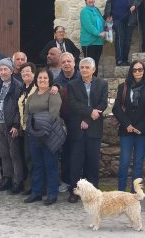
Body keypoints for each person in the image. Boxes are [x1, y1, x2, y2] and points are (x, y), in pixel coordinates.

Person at [66, 57, 109, 203]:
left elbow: (103, 104)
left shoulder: (102, 84)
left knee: (92, 162)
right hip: (77, 127)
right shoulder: (72, 85)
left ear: (93, 69)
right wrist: (89, 113)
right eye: (82, 67)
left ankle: (93, 193)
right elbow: (73, 104)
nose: (84, 70)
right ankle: (74, 192)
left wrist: (89, 119)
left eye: (87, 67)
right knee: (76, 162)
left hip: (94, 128)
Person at [113, 61, 145, 192]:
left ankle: (135, 194)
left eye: (140, 70)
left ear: (144, 71)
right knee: (124, 163)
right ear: (131, 71)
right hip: (126, 130)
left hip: (141, 131)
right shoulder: (123, 87)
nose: (137, 72)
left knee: (138, 164)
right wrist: (128, 125)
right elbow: (116, 108)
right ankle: (121, 192)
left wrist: (140, 127)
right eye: (135, 70)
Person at [23, 69, 63, 205]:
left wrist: (39, 124)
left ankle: (52, 194)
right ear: (36, 79)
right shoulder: (33, 95)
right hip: (34, 135)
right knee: (37, 165)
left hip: (48, 135)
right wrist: (30, 125)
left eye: (45, 78)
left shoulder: (53, 93)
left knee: (50, 165)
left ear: (50, 79)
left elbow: (53, 114)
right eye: (40, 78)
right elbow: (26, 112)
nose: (42, 80)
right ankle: (36, 192)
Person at [0, 58, 23, 193]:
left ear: (12, 70)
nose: (3, 72)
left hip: (10, 124)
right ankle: (7, 178)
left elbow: (18, 108)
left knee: (14, 153)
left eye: (5, 69)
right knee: (3, 153)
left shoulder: (17, 86)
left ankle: (18, 181)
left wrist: (16, 125)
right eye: (1, 70)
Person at [53, 52, 81, 193]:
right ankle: (65, 180)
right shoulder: (57, 81)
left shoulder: (82, 77)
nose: (66, 64)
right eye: (63, 62)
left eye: (69, 61)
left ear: (74, 62)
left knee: (78, 153)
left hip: (80, 122)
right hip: (63, 122)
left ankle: (79, 183)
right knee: (65, 153)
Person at [104, 0, 142, 66]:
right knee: (120, 38)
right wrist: (108, 14)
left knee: (128, 39)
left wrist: (135, 4)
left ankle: (125, 60)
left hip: (130, 17)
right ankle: (119, 60)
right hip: (117, 17)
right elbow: (109, 1)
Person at [17, 62, 38, 195]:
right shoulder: (23, 88)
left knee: (34, 158)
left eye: (27, 71)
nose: (25, 74)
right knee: (28, 158)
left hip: (36, 128)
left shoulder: (37, 88)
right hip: (25, 129)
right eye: (23, 72)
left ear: (34, 73)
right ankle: (30, 184)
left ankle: (35, 186)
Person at [79, 0, 106, 75]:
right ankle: (89, 84)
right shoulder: (84, 11)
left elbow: (101, 21)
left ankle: (94, 84)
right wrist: (99, 33)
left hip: (98, 42)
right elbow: (89, 26)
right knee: (89, 65)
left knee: (95, 65)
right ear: (85, 1)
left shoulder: (96, 10)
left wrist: (107, 22)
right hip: (89, 43)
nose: (90, 0)